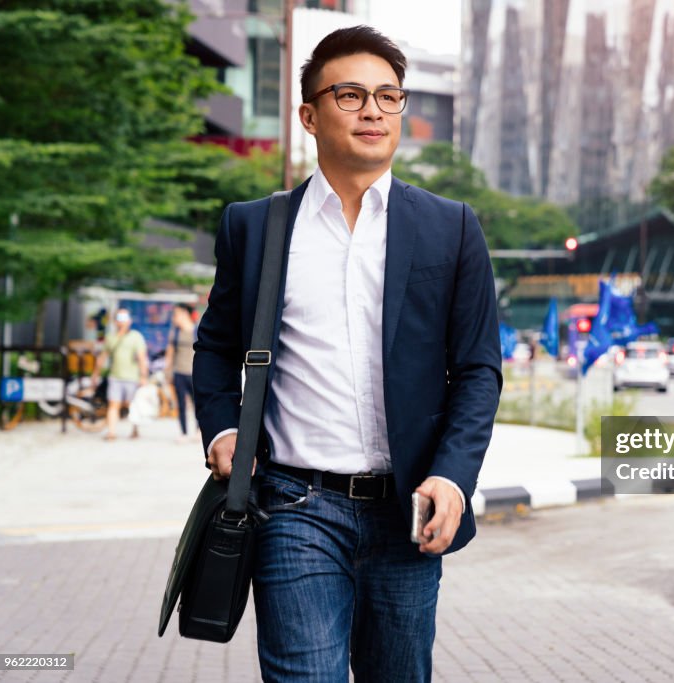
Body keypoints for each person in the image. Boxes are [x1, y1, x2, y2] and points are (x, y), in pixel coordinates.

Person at [192, 26, 502, 682]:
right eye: (352, 94)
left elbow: (477, 368)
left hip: (408, 507)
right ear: (308, 114)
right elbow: (216, 346)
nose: (373, 111)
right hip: (294, 506)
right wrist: (222, 426)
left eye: (389, 97)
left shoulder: (451, 226)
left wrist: (453, 475)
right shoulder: (255, 226)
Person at [91, 307, 149, 440]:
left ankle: (135, 429)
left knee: (131, 405)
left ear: (129, 321)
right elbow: (102, 357)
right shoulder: (110, 338)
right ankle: (112, 432)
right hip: (115, 376)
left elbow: (141, 357)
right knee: (113, 404)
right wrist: (95, 374)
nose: (122, 322)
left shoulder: (136, 337)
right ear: (114, 321)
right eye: (119, 319)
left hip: (132, 377)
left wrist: (143, 376)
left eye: (124, 318)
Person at [163, 303, 197, 442]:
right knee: (181, 405)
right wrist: (167, 372)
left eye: (176, 314)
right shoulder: (175, 332)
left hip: (194, 373)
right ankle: (183, 432)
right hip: (179, 372)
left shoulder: (197, 330)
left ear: (184, 314)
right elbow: (170, 353)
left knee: (198, 404)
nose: (174, 318)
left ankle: (198, 430)